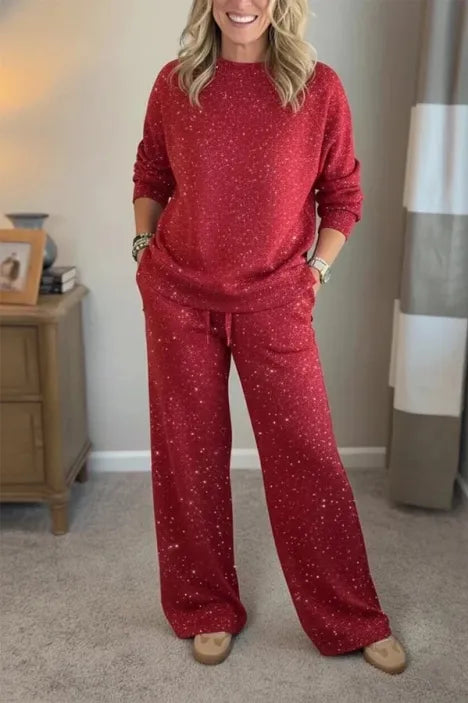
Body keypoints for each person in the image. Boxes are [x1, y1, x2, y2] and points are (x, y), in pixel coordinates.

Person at [132, 0, 408, 675]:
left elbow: (343, 195)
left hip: (275, 300)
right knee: (188, 457)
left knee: (307, 456)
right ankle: (205, 606)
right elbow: (151, 173)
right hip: (179, 297)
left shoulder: (319, 89)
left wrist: (315, 272)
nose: (242, 3)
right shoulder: (175, 83)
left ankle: (350, 615)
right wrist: (143, 248)